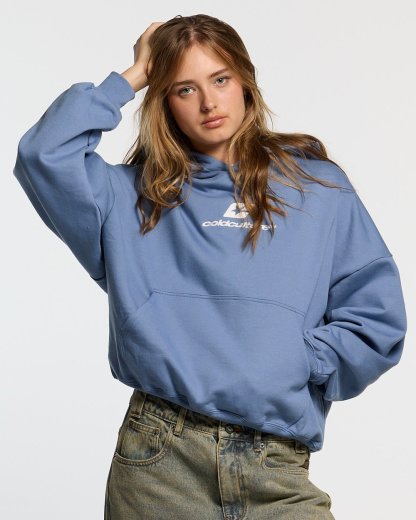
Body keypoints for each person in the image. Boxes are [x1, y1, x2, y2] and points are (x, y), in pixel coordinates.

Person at [13, 13, 407, 520]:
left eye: (220, 79)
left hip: (276, 462)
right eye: (184, 88)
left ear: (245, 80)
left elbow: (377, 318)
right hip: (160, 462)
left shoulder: (317, 187)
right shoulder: (129, 198)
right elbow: (43, 153)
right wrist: (133, 75)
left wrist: (297, 360)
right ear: (164, 101)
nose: (208, 102)